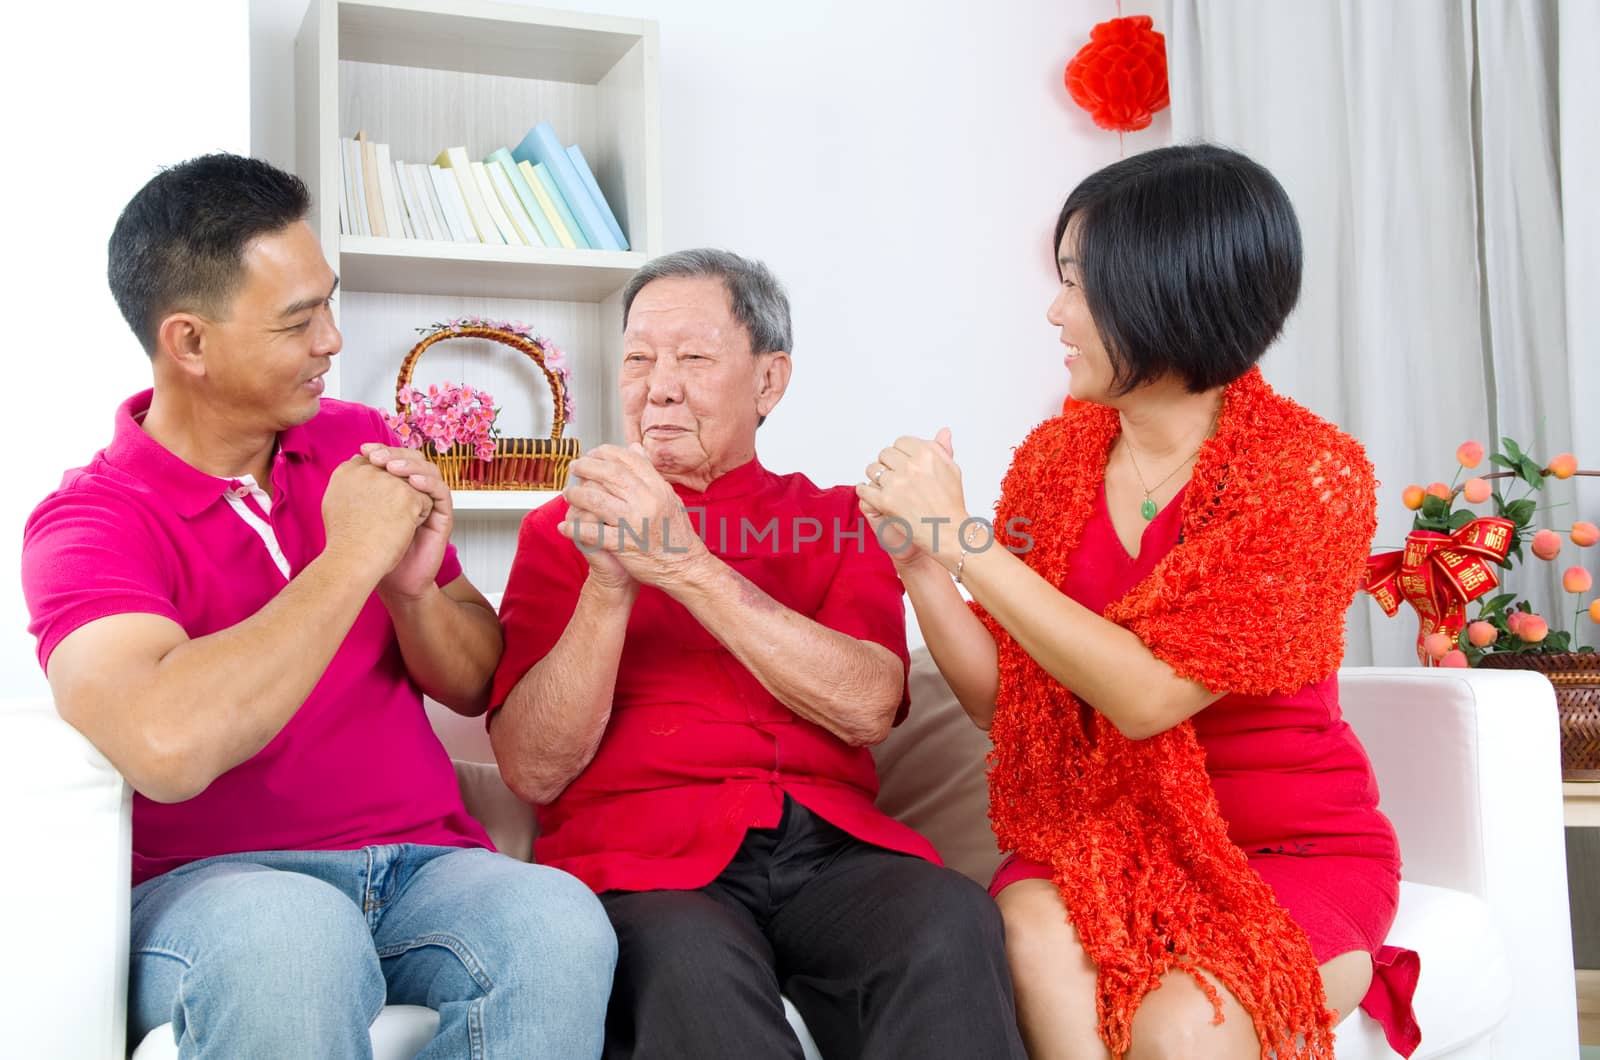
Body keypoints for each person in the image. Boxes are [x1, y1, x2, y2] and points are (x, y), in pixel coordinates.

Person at [20, 154, 615, 1058]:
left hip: (424, 868)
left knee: (557, 919)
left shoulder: (360, 442)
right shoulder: (90, 521)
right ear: (189, 343)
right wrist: (350, 562)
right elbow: (165, 748)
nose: (334, 341)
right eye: (299, 322)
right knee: (294, 941)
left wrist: (411, 592)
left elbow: (475, 679)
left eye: (327, 303)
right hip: (214, 890)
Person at [858, 144, 1419, 1060]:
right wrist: (924, 565)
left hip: (1283, 849)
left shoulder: (1309, 475)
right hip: (1099, 836)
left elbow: (1151, 694)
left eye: (1077, 283)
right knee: (1029, 936)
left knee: (1174, 1029)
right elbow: (1012, 707)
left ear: (1166, 290)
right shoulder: (1054, 461)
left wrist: (969, 542)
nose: (1055, 311)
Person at [488, 248, 1026, 1060]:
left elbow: (869, 703)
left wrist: (685, 567)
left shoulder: (837, 518)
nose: (657, 386)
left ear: (769, 382)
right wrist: (609, 585)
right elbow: (533, 769)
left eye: (694, 358)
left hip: (832, 852)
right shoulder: (559, 532)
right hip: (647, 866)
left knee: (949, 920)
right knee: (688, 968)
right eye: (638, 359)